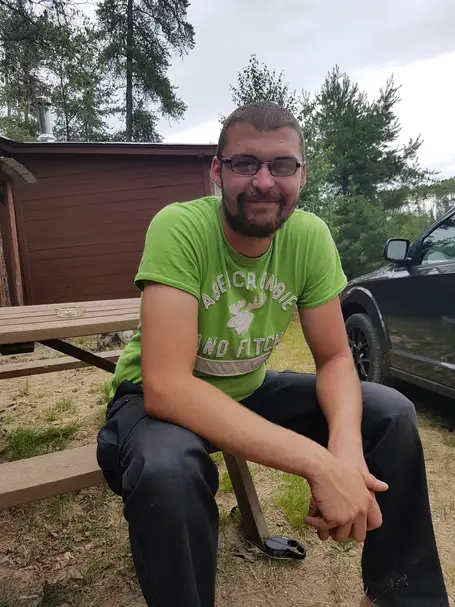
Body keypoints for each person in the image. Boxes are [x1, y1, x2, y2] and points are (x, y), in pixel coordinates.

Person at [97, 101, 449, 607]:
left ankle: (405, 595)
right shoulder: (179, 228)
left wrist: (346, 453)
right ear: (218, 171)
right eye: (246, 163)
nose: (264, 181)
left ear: (301, 175)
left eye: (281, 165)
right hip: (150, 408)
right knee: (168, 468)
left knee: (389, 412)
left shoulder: (309, 237)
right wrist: (319, 465)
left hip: (247, 389)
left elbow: (333, 359)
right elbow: (167, 387)